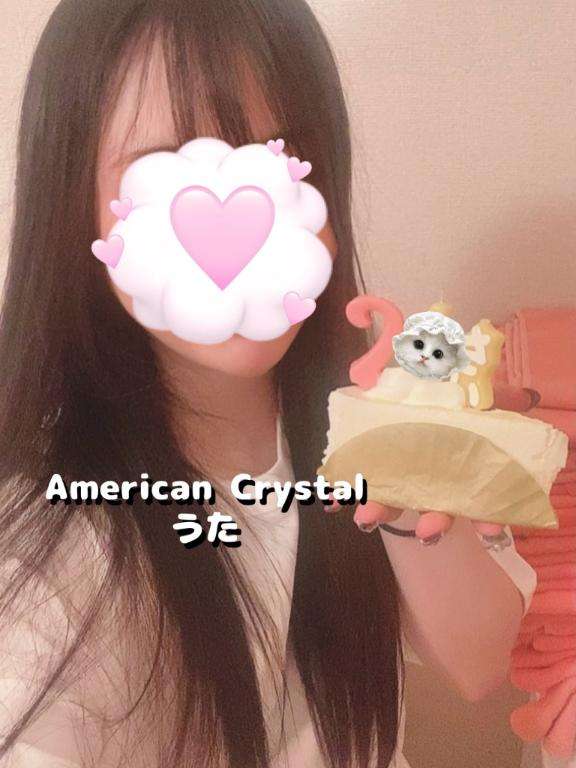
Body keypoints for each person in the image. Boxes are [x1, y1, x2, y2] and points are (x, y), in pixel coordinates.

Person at [0, 1, 536, 766]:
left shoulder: (372, 405)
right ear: (74, 206)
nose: (247, 218)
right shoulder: (47, 538)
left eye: (281, 160)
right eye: (170, 166)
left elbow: (481, 663)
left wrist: (416, 474)